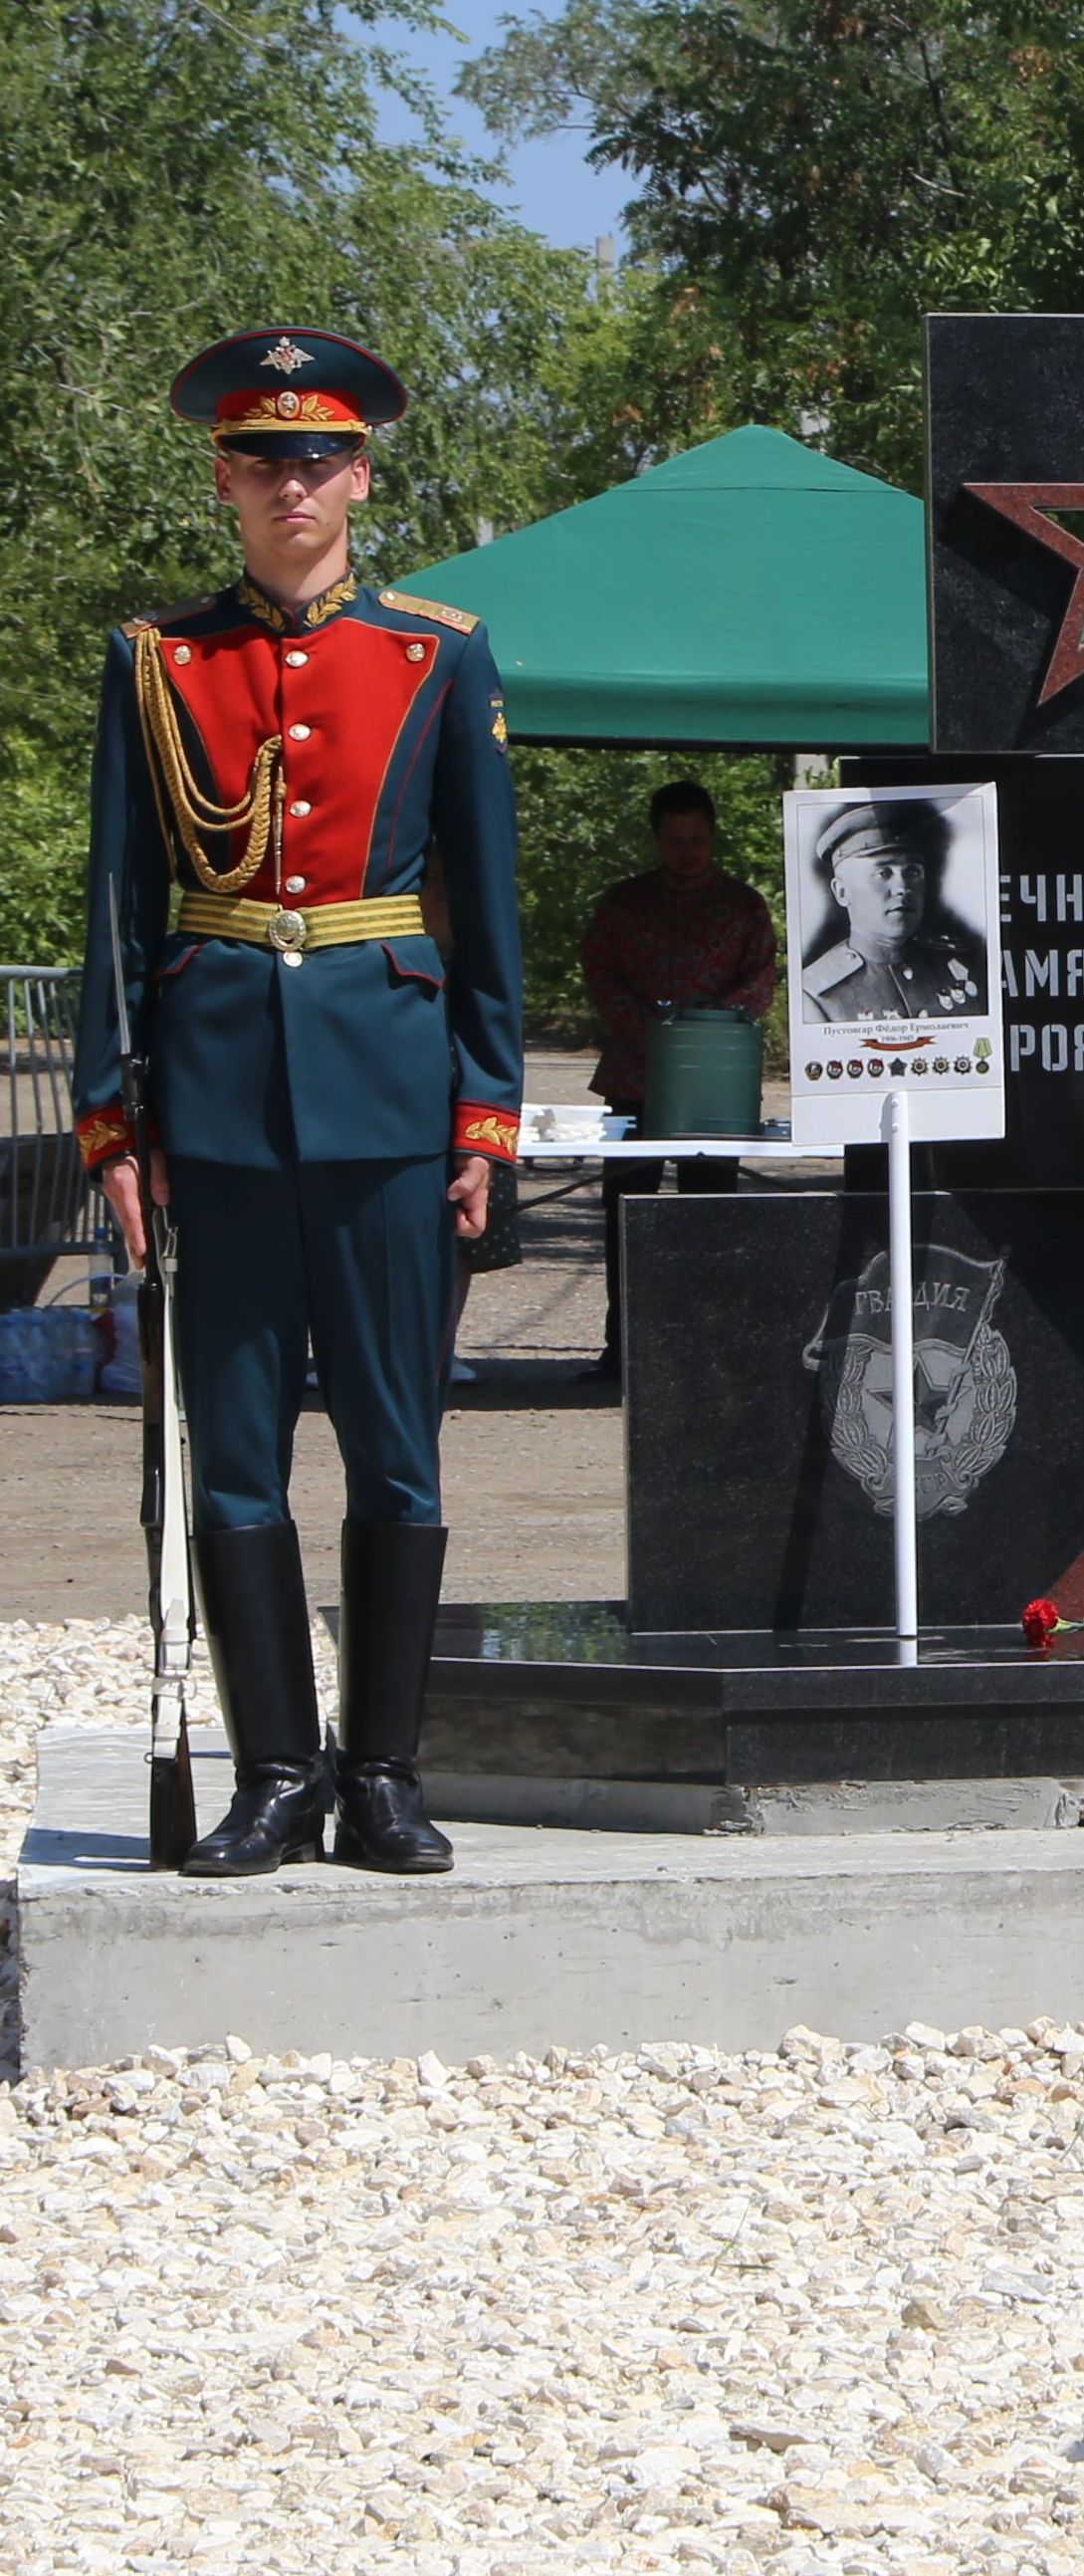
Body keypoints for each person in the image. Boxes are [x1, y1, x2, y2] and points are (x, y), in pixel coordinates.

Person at [73, 326, 523, 1879]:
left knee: (399, 1446)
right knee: (237, 1451)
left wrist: (486, 1113)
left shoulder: (436, 653)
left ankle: (385, 1774)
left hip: (392, 1098)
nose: (292, 482)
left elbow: (488, 905)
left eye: (318, 456)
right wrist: (110, 1123)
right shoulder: (158, 662)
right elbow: (117, 910)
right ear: (224, 478)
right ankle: (274, 1773)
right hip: (213, 1110)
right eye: (263, 458)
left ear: (362, 476)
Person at [577, 779, 774, 1373]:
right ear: (656, 840)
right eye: (675, 840)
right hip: (634, 1078)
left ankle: (706, 1347)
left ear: (713, 837)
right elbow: (600, 971)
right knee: (627, 1217)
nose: (687, 851)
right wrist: (654, 1035)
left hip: (716, 1084)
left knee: (709, 1216)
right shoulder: (623, 903)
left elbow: (761, 981)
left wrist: (703, 1034)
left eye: (697, 839)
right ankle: (626, 1349)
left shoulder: (743, 906)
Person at [798, 796, 988, 1022]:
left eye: (912, 873)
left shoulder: (958, 966)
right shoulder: (815, 994)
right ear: (841, 892)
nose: (902, 888)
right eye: (883, 873)